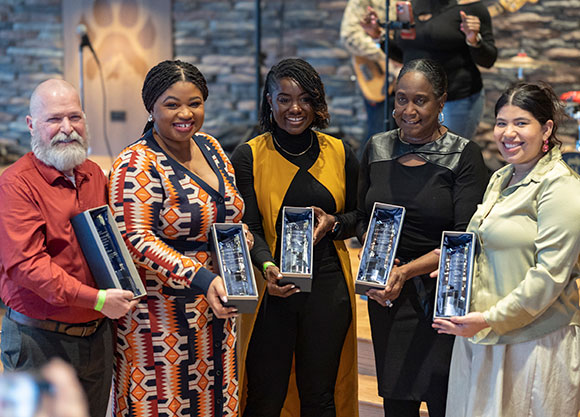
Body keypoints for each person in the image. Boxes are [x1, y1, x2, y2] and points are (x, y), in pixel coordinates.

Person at [108, 60, 250, 417]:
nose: (185, 113)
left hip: (215, 315)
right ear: (151, 107)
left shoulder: (213, 149)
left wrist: (238, 236)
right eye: (172, 104)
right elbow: (135, 240)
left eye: (195, 102)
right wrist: (202, 277)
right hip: (159, 325)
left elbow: (226, 214)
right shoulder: (136, 163)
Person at [433, 82, 580, 416]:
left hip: (533, 342)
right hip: (482, 334)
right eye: (501, 122)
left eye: (521, 123)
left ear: (546, 129)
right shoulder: (501, 177)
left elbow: (549, 276)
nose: (508, 133)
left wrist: (489, 319)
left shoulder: (562, 186)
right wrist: (458, 262)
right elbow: (483, 239)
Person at [356, 58, 488, 417]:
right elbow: (359, 215)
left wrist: (407, 271)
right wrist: (372, 246)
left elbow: (465, 238)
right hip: (387, 296)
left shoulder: (464, 155)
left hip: (442, 293)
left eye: (420, 100)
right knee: (397, 401)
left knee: (444, 398)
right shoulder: (377, 147)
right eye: (401, 99)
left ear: (441, 102)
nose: (407, 110)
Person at [0, 79, 138, 417]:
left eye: (74, 117)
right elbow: (27, 266)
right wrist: (98, 299)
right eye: (54, 119)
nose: (67, 129)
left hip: (96, 337)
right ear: (32, 125)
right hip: (38, 342)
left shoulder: (94, 175)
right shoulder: (15, 185)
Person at [231, 58, 359, 417]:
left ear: (317, 102)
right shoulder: (249, 156)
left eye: (304, 98)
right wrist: (267, 267)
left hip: (329, 288)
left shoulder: (339, 151)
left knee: (320, 395)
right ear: (269, 102)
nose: (295, 108)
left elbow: (358, 218)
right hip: (273, 289)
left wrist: (334, 223)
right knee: (265, 397)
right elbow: (250, 227)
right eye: (284, 98)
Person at [340, 0, 497, 149]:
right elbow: (406, 55)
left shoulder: (470, 7)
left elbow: (488, 60)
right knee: (419, 160)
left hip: (456, 100)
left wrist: (474, 39)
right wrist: (378, 36)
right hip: (415, 102)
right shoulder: (410, 6)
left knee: (448, 161)